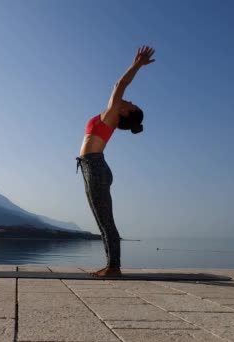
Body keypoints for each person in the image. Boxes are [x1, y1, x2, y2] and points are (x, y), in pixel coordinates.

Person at [76, 45, 155, 277]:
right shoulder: (109, 116)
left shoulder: (111, 113)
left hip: (95, 167)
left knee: (105, 220)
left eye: (131, 104)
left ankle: (114, 267)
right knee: (101, 220)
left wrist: (137, 64)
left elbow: (119, 85)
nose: (128, 100)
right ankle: (112, 264)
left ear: (125, 113)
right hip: (92, 167)